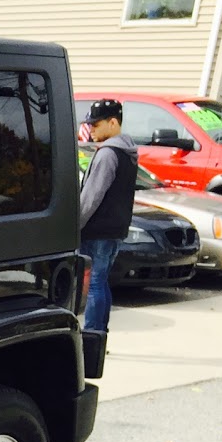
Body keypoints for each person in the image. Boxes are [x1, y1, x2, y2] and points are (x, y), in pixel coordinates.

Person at [77, 98, 137, 333]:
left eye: (96, 124)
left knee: (93, 285)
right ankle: (100, 334)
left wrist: (76, 225)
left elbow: (92, 196)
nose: (90, 129)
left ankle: (92, 334)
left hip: (98, 230)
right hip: (116, 230)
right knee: (101, 283)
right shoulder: (128, 152)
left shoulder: (108, 154)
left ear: (113, 123)